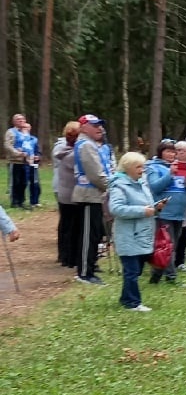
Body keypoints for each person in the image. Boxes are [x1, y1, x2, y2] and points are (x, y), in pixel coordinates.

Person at [108, 151, 163, 312]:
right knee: (131, 271)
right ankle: (133, 303)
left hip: (143, 233)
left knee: (135, 270)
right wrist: (142, 211)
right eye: (138, 167)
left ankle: (126, 299)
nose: (142, 170)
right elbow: (116, 209)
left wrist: (156, 208)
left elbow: (147, 205)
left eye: (143, 166)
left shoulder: (142, 183)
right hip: (128, 234)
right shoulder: (119, 185)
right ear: (128, 168)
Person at [71, 115, 113, 284]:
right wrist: (112, 187)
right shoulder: (86, 145)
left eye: (100, 125)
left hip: (94, 195)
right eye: (94, 125)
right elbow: (96, 175)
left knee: (94, 234)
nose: (99, 128)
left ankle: (89, 269)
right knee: (88, 235)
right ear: (83, 127)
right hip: (88, 195)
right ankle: (84, 273)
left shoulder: (92, 145)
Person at [146, 140, 186, 284]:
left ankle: (156, 276)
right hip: (164, 212)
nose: (171, 154)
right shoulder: (153, 167)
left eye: (173, 151)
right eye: (168, 151)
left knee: (170, 246)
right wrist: (169, 174)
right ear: (161, 152)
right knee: (166, 245)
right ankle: (171, 277)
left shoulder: (181, 167)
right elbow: (155, 187)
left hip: (179, 213)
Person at [52, 121, 81, 267]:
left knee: (66, 224)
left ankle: (65, 255)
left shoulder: (64, 150)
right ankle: (68, 257)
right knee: (70, 225)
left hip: (65, 191)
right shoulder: (70, 154)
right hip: (70, 193)